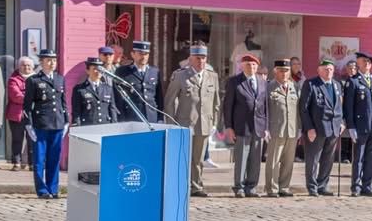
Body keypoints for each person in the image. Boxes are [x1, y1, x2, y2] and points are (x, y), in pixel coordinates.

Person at [164, 45, 221, 197]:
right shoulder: (181, 75)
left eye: (203, 58)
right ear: (190, 59)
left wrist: (214, 122)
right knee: (183, 158)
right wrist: (170, 123)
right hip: (184, 123)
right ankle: (180, 185)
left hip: (204, 124)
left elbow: (216, 102)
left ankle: (196, 186)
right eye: (197, 58)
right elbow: (170, 101)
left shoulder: (212, 76)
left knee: (198, 159)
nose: (200, 61)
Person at [221, 53, 269, 198]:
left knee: (255, 159)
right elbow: (228, 106)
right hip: (241, 126)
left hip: (258, 126)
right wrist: (229, 127)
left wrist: (266, 127)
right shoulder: (234, 82)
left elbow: (266, 106)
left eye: (254, 65)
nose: (252, 67)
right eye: (248, 65)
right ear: (242, 66)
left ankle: (251, 187)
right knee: (241, 158)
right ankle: (239, 187)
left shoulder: (262, 82)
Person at [22, 49, 67, 199]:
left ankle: (53, 189)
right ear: (41, 62)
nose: (52, 63)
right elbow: (27, 106)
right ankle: (42, 190)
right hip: (41, 125)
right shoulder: (34, 80)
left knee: (54, 159)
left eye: (54, 60)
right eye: (48, 60)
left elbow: (63, 102)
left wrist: (66, 120)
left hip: (57, 124)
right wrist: (29, 125)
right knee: (40, 160)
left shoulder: (60, 79)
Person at [298, 59, 343, 197]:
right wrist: (309, 128)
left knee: (328, 159)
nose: (328, 71)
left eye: (330, 69)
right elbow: (303, 109)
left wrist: (341, 122)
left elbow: (339, 106)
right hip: (316, 129)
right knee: (313, 159)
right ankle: (312, 186)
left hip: (333, 128)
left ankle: (322, 185)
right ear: (318, 70)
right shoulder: (311, 84)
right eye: (325, 69)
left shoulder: (336, 85)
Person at [343, 52, 372, 197]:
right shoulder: (353, 81)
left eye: (369, 62)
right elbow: (348, 107)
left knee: (371, 157)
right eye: (364, 62)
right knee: (358, 157)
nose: (367, 64)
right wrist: (351, 126)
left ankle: (367, 185)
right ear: (358, 64)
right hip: (360, 126)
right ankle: (356, 186)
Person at [264, 59, 300, 197]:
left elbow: (298, 109)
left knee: (288, 161)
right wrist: (265, 128)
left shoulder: (294, 86)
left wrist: (300, 128)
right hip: (275, 130)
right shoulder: (269, 87)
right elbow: (264, 109)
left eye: (286, 71)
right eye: (281, 70)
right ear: (275, 71)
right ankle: (272, 188)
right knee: (273, 161)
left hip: (292, 129)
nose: (284, 73)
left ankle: (284, 187)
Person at [113, 40, 164, 123]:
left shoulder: (154, 72)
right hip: (131, 118)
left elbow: (159, 97)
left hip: (151, 118)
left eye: (146, 54)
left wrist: (160, 118)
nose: (143, 57)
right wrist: (121, 119)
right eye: (140, 54)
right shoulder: (122, 72)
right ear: (133, 54)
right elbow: (118, 98)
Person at [5, 55, 34, 171]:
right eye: (23, 65)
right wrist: (31, 97)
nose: (26, 67)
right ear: (19, 67)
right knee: (17, 139)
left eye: (28, 65)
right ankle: (16, 162)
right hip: (17, 114)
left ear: (32, 67)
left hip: (33, 115)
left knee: (32, 140)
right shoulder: (13, 79)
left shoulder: (37, 79)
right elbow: (16, 96)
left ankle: (32, 163)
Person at [71, 58, 116, 128]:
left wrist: (114, 125)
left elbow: (112, 109)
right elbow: (76, 112)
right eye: (95, 69)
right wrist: (77, 127)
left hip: (105, 126)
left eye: (100, 69)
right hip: (88, 126)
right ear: (87, 71)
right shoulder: (79, 89)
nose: (98, 71)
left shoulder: (108, 88)